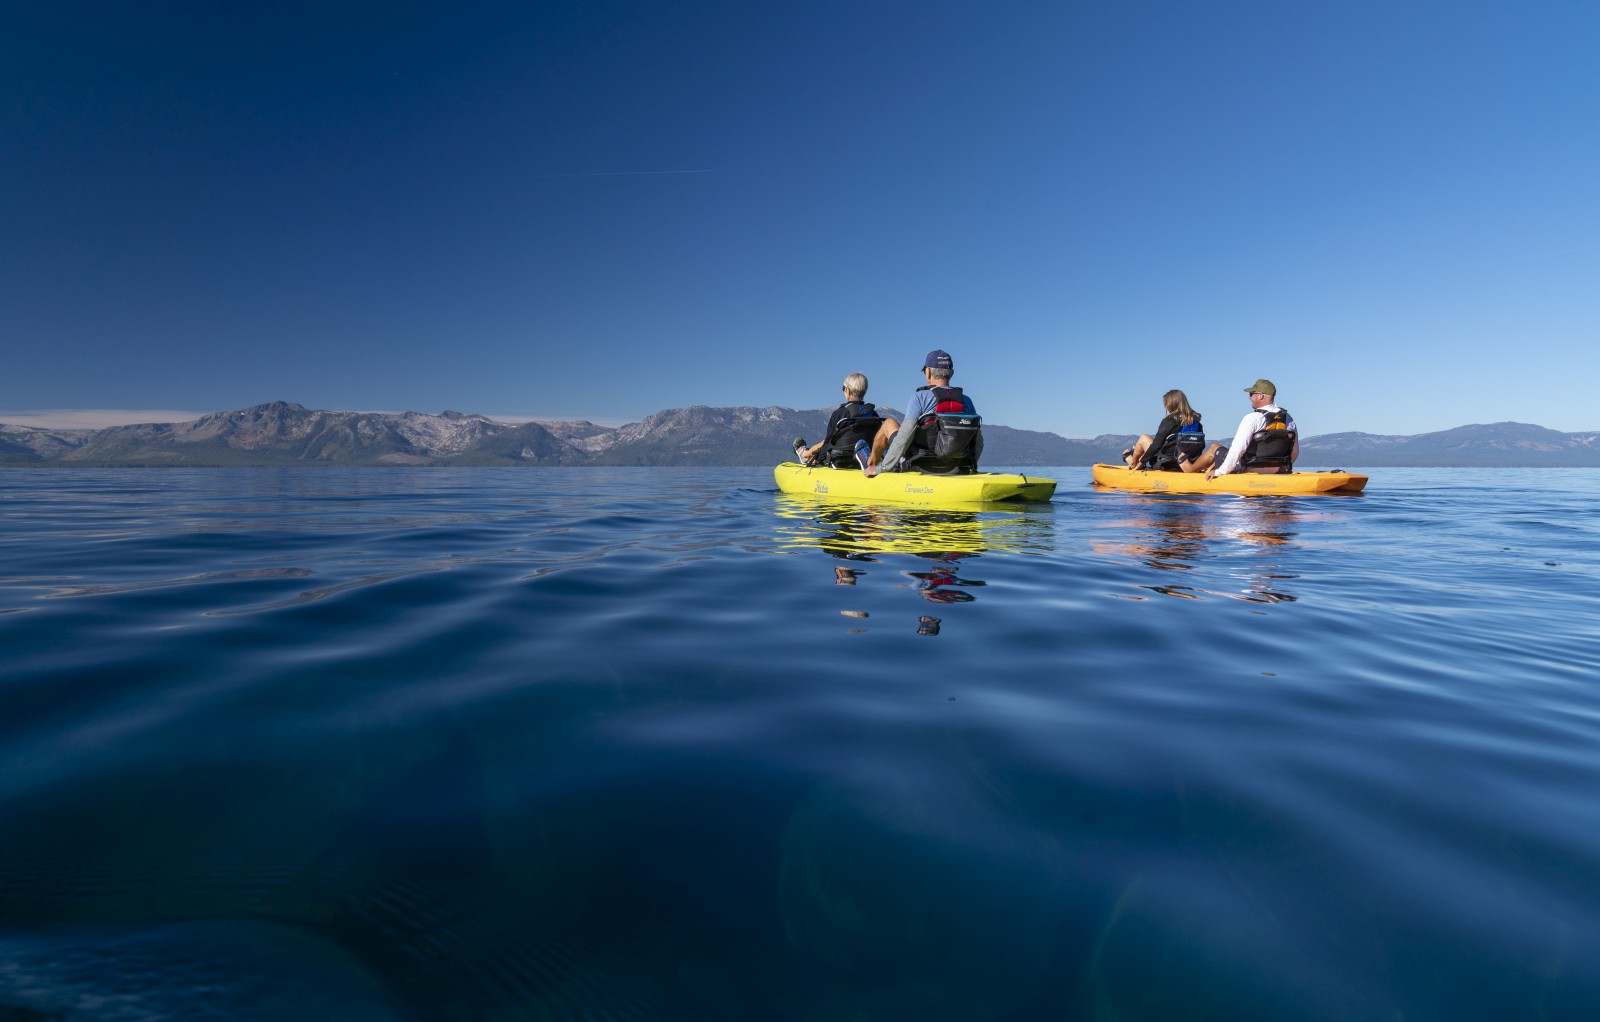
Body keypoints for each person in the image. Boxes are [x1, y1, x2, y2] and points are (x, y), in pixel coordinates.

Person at [865, 350, 982, 475]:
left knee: (889, 423)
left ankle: (871, 465)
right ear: (951, 373)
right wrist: (971, 465)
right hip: (956, 467)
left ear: (928, 372)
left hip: (920, 465)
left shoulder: (920, 397)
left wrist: (882, 468)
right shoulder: (966, 401)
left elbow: (904, 437)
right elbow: (978, 441)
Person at [1207, 378, 1298, 478]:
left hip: (1249, 468)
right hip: (1277, 469)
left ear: (1260, 396)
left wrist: (1220, 472)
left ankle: (1189, 472)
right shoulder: (1288, 419)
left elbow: (1238, 449)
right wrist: (1283, 468)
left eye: (1251, 394)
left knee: (1214, 448)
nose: (1249, 398)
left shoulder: (1252, 418)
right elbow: (1294, 450)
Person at [793, 373, 883, 468]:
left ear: (848, 391)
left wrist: (818, 460)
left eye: (843, 388)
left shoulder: (840, 413)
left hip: (839, 461)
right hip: (867, 459)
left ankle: (805, 455)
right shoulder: (873, 414)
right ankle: (805, 454)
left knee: (827, 440)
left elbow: (828, 443)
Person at [1122, 389, 1218, 473]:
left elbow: (1156, 445)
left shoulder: (1169, 421)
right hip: (1188, 464)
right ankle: (1134, 459)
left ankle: (1133, 463)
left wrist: (1142, 462)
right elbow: (1199, 446)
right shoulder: (1196, 423)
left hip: (1166, 464)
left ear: (1170, 405)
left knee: (1144, 438)